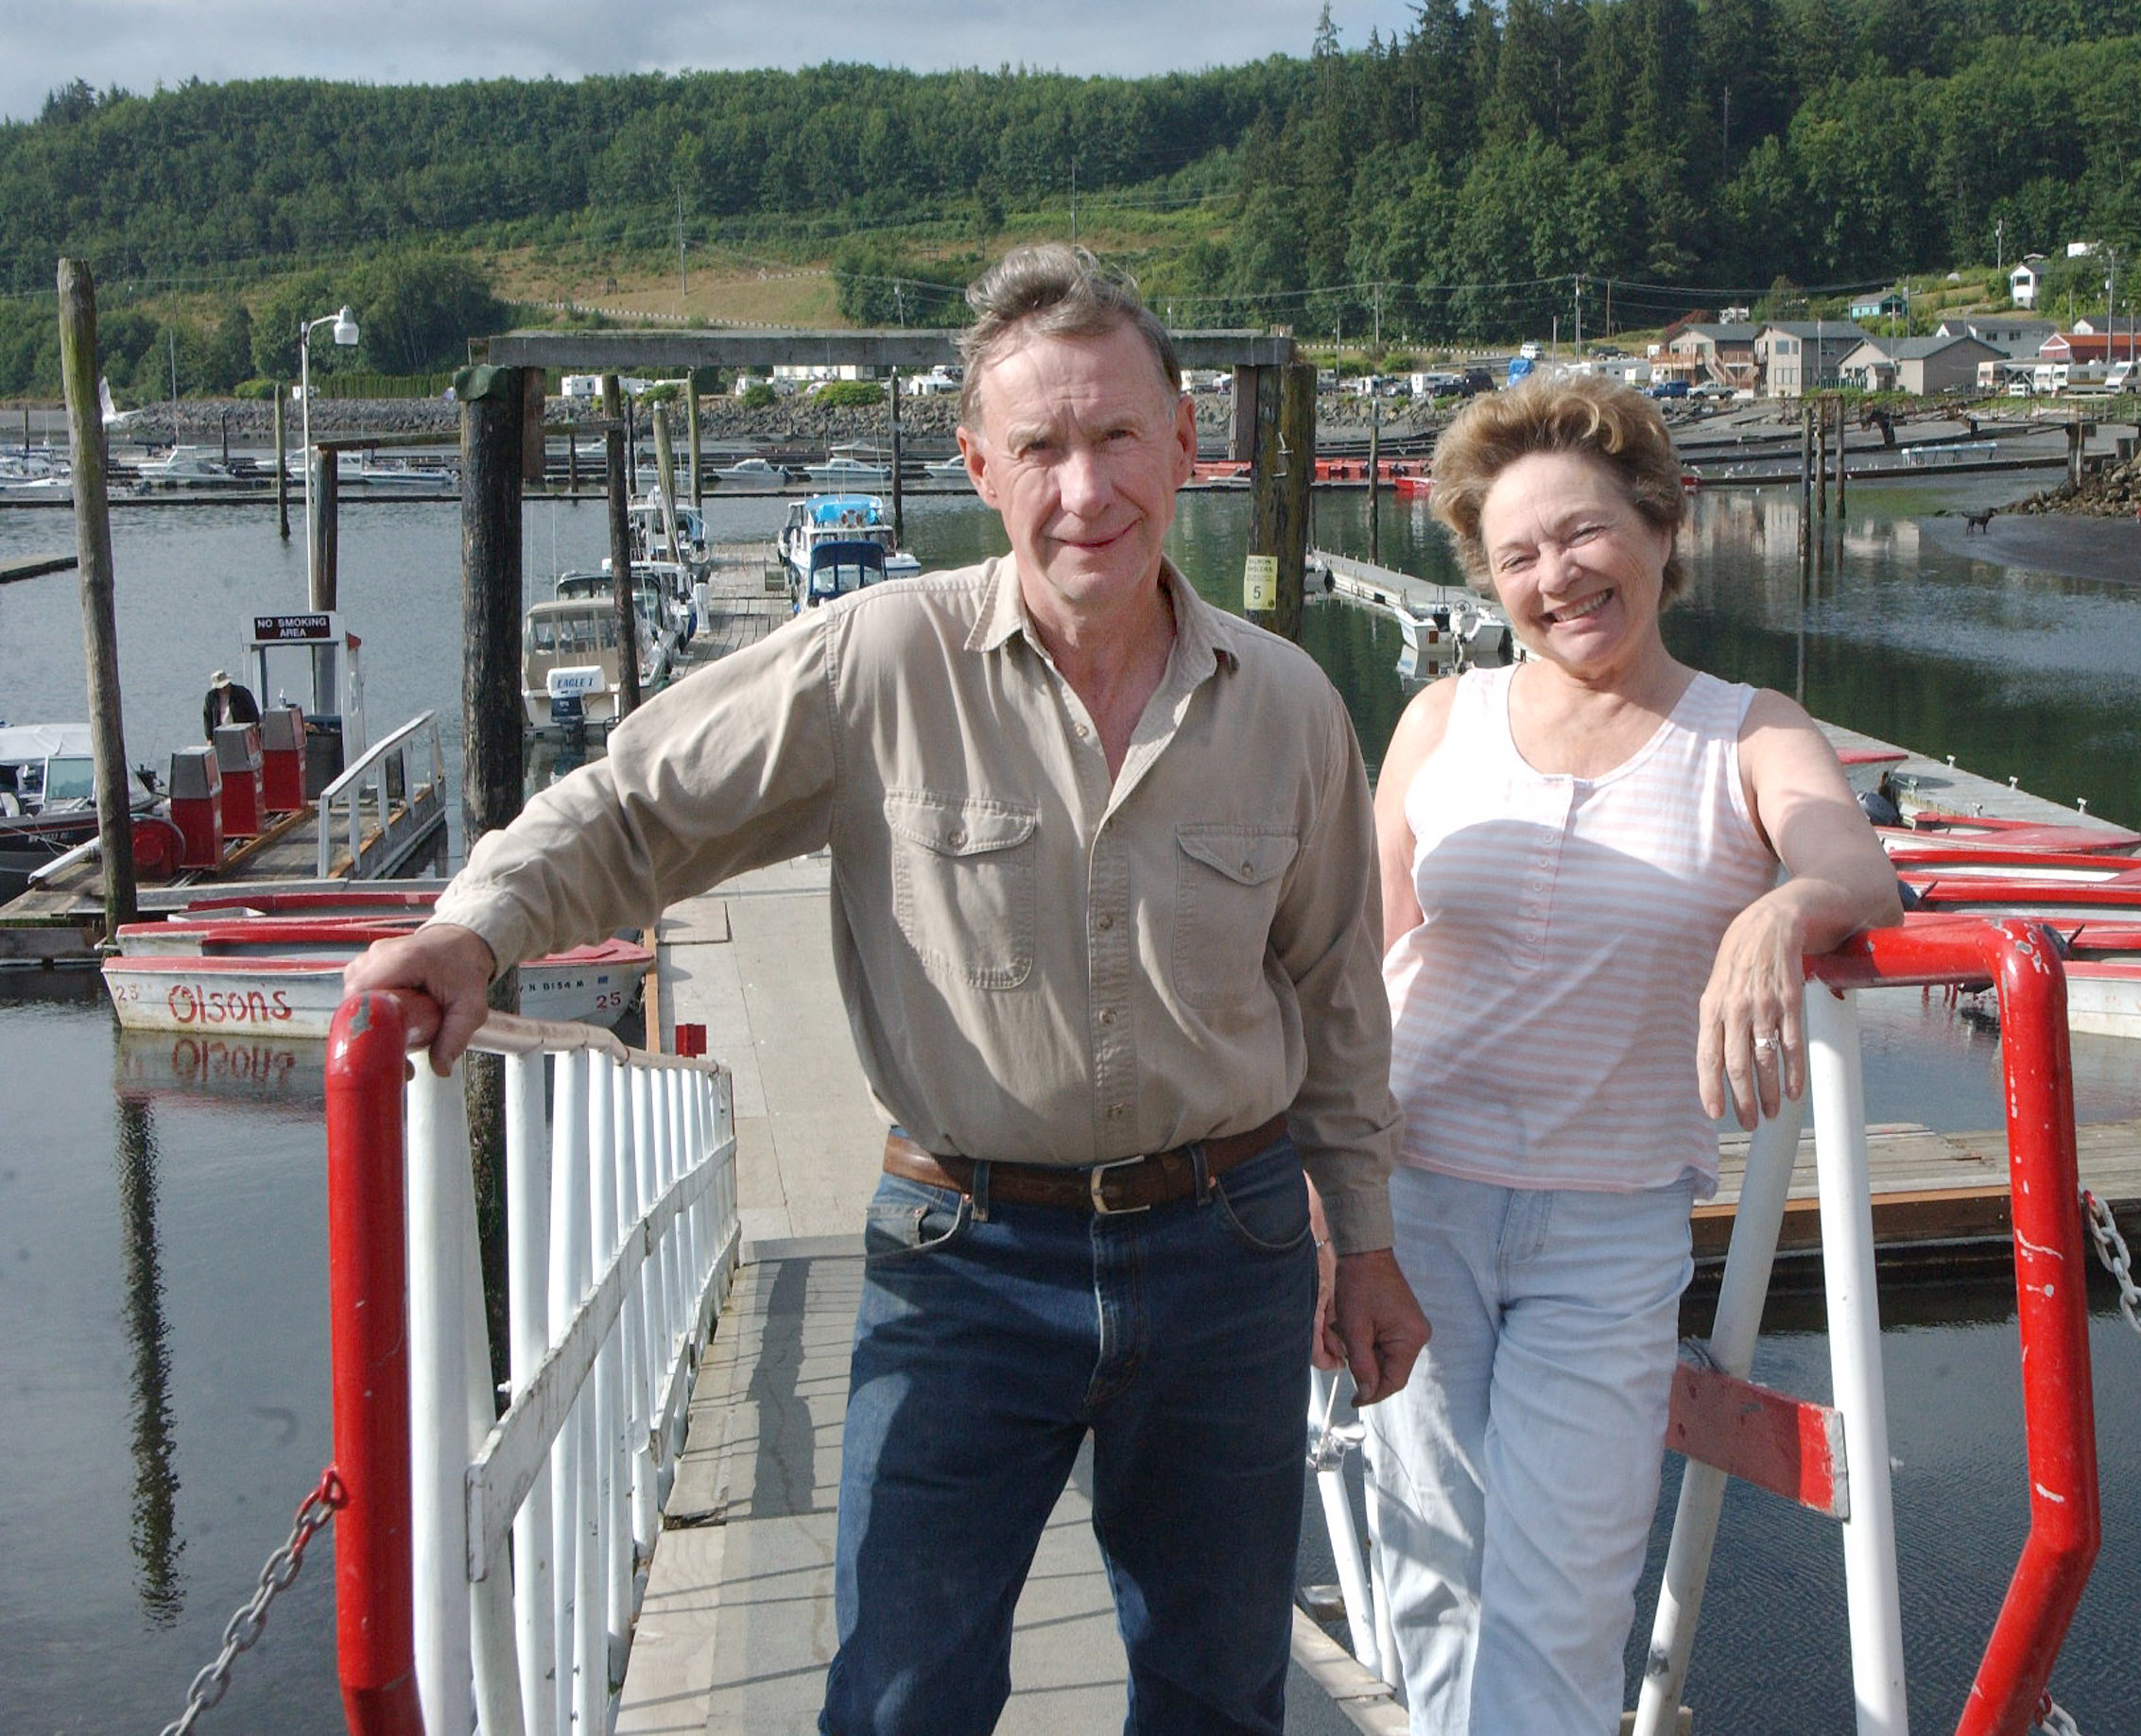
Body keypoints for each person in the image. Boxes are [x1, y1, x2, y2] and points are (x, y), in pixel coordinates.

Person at [344, 243, 1428, 1736]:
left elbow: (1336, 998)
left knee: (1220, 1693)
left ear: (1187, 440)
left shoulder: (1292, 704)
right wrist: (478, 927)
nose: (1084, 489)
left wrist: (1361, 1244)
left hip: (1227, 1246)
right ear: (980, 465)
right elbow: (644, 805)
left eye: (1117, 436)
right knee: (901, 1697)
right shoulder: (878, 659)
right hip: (968, 1253)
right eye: (1039, 447)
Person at [1362, 374, 1901, 1736]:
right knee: (1433, 1576)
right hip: (1412, 1198)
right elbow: (1356, 977)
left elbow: (1856, 864)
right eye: (1518, 556)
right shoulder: (1441, 723)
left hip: (1606, 1233)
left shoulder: (1747, 728)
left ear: (1662, 527)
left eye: (1585, 534)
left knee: (1565, 1595)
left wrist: (1784, 906)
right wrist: (1329, 1201)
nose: (1558, 577)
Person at [202, 668, 258, 740]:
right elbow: (208, 719)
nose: (223, 689)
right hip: (220, 735)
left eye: (225, 686)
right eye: (220, 687)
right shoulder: (211, 697)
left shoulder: (242, 693)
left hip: (240, 734)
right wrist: (209, 738)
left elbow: (253, 713)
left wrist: (252, 733)